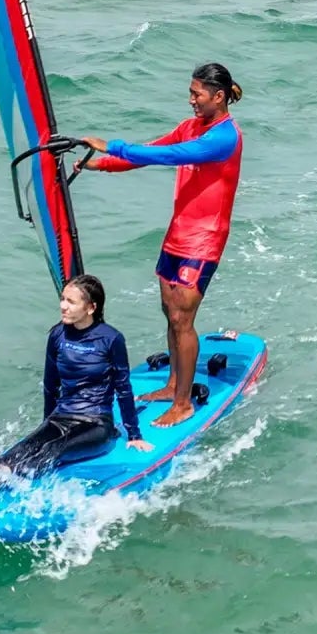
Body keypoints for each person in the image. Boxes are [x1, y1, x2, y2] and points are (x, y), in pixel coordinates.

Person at [78, 62, 244, 428]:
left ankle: (183, 403)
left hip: (204, 240)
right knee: (169, 311)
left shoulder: (224, 137)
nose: (191, 100)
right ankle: (173, 385)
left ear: (218, 96)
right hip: (178, 232)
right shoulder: (189, 128)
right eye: (191, 92)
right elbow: (150, 153)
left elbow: (169, 157)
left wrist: (113, 144)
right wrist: (97, 165)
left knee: (183, 318)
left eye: (196, 94)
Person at [0, 275, 149, 485]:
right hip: (61, 417)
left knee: (55, 448)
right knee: (30, 444)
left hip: (95, 423)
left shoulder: (111, 339)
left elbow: (123, 388)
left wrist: (134, 434)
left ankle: (1, 477)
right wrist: (45, 426)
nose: (63, 306)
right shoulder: (58, 335)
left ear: (91, 308)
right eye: (63, 299)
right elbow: (50, 386)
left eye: (71, 302)